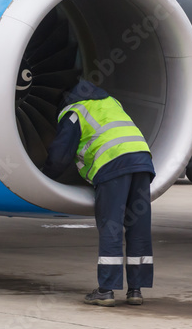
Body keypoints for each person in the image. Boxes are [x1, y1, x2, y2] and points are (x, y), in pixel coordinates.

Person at [40, 79, 155, 307]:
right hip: (142, 161)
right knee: (138, 227)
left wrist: (44, 175)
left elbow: (60, 156)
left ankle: (107, 289)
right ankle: (135, 290)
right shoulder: (111, 102)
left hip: (113, 165)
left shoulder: (73, 112)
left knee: (111, 226)